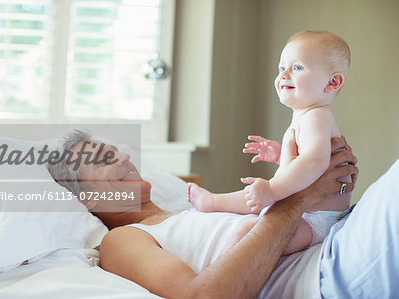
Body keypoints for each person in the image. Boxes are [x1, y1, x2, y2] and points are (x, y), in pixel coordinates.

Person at [48, 130, 360, 298]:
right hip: (325, 272)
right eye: (104, 160)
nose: (125, 158)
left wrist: (331, 191)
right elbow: (202, 296)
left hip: (342, 232)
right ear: (88, 197)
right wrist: (299, 201)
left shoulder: (190, 208)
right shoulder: (123, 240)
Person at [189, 30, 352, 254]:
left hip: (316, 220)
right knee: (255, 195)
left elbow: (315, 162)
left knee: (250, 234)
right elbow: (304, 163)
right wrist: (280, 156)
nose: (284, 74)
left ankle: (215, 205)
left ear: (332, 82)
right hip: (307, 210)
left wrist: (273, 190)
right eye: (281, 67)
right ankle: (214, 201)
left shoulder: (316, 117)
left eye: (297, 67)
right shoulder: (308, 115)